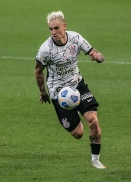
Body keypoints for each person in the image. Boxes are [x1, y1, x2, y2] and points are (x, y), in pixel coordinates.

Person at [34, 11, 106, 169]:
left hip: (77, 85)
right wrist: (43, 92)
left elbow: (94, 52)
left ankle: (95, 160)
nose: (53, 32)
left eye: (56, 28)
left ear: (64, 26)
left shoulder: (76, 38)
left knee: (93, 121)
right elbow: (38, 71)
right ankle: (74, 117)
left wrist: (98, 57)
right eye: (50, 29)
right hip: (59, 93)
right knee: (78, 134)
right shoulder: (46, 49)